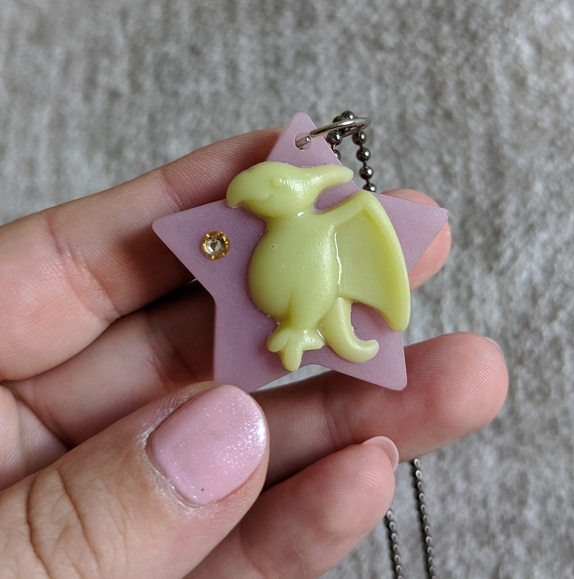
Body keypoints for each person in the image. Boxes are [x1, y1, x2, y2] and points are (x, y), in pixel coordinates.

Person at [0, 128, 508, 578]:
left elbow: (319, 273)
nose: (253, 198)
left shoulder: (333, 224)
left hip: (305, 316)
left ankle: (302, 332)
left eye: (271, 191)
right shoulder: (258, 222)